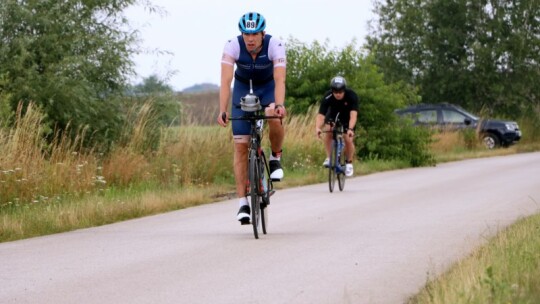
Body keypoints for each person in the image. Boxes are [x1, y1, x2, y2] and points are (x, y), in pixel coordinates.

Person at [217, 12, 287, 224]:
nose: (250, 39)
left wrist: (280, 104)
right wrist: (223, 109)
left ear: (262, 34)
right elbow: (226, 79)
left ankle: (275, 159)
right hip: (242, 89)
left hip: (268, 89)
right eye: (246, 34)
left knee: (272, 115)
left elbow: (280, 78)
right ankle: (243, 204)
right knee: (240, 146)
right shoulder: (232, 46)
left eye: (254, 34)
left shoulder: (275, 45)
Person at [315, 76, 359, 177]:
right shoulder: (328, 96)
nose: (338, 94)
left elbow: (353, 115)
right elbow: (321, 115)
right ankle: (329, 157)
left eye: (340, 91)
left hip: (347, 117)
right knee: (328, 130)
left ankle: (349, 163)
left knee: (348, 139)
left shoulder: (351, 96)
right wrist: (317, 127)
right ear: (332, 90)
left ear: (344, 90)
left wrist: (351, 129)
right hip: (333, 115)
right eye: (335, 91)